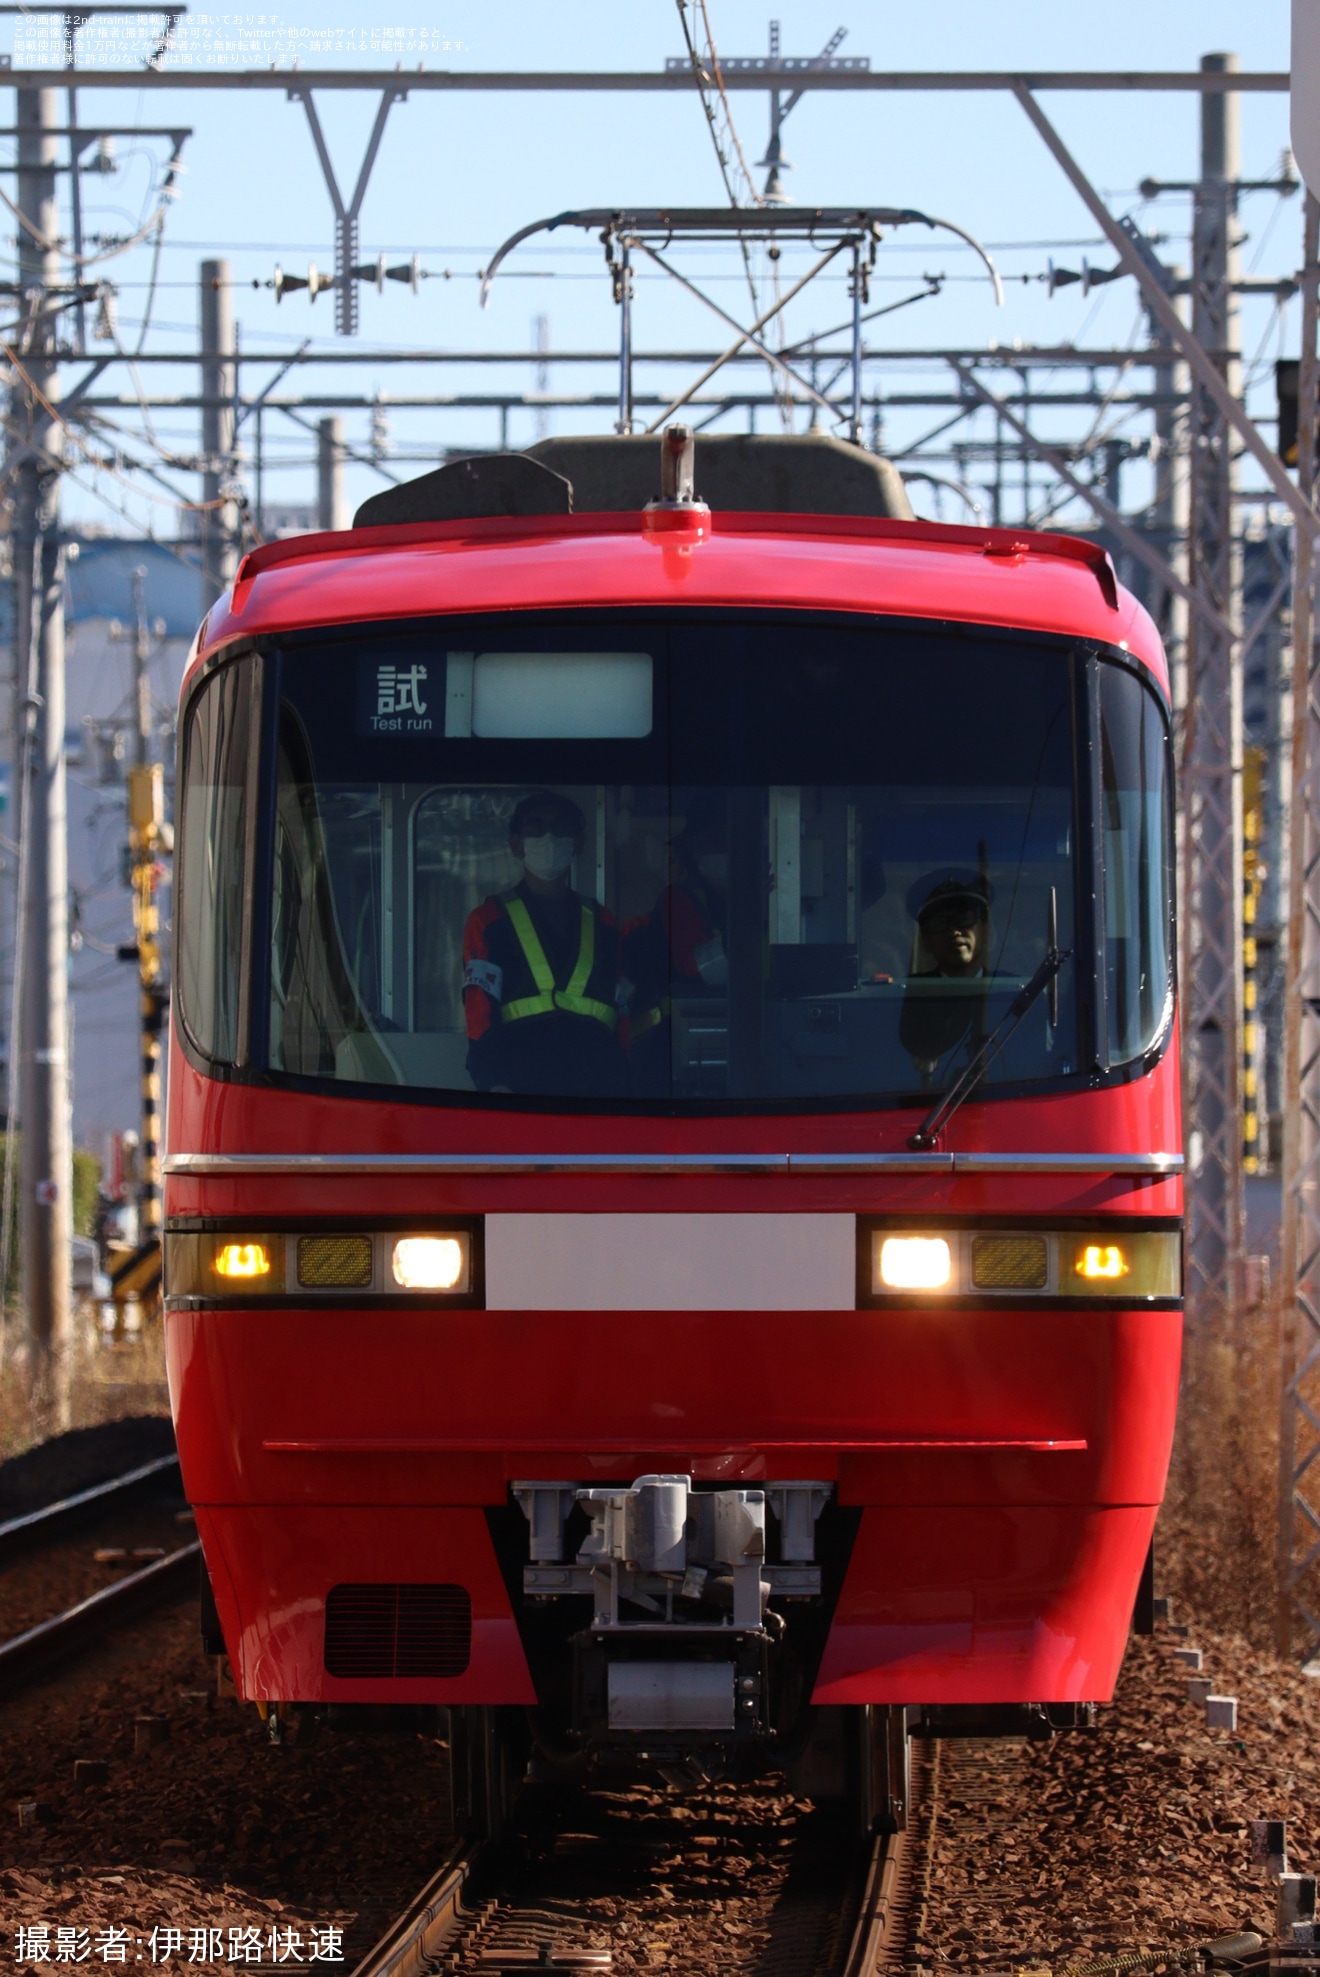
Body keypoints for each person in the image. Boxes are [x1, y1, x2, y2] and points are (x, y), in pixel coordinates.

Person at [462, 790, 625, 1095]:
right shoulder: (488, 920)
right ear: (516, 844)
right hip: (522, 1078)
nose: (548, 838)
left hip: (598, 1079)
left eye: (560, 828)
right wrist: (492, 1080)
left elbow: (620, 1005)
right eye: (535, 828)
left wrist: (627, 1079)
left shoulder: (605, 922)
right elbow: (479, 1008)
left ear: (578, 843)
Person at [622, 813, 728, 1092]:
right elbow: (695, 965)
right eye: (708, 847)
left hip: (714, 1032)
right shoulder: (678, 899)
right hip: (673, 1037)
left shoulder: (723, 899)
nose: (718, 854)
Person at [898, 869, 994, 1081]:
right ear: (925, 940)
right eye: (939, 923)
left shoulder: (1016, 991)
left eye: (964, 918)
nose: (954, 931)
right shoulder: (908, 995)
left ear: (985, 930)